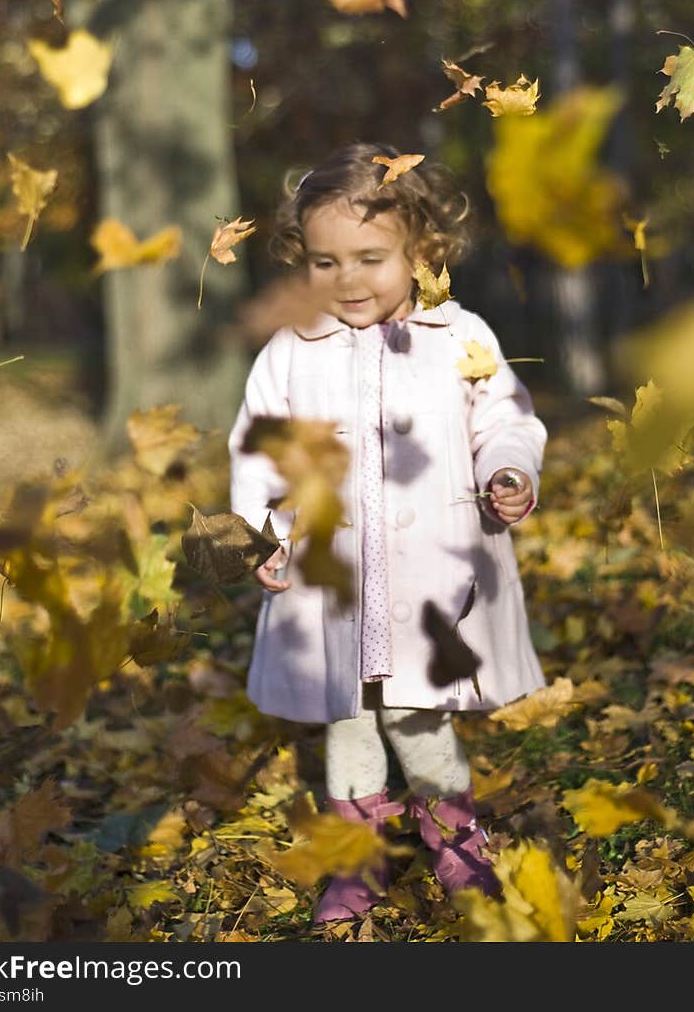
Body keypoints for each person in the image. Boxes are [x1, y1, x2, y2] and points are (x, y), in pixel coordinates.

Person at [228, 141, 547, 922]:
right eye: (325, 262)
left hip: (428, 574)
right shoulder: (289, 353)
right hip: (331, 578)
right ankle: (357, 857)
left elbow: (504, 419)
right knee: (349, 714)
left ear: (422, 252)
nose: (348, 280)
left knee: (415, 714)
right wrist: (267, 533)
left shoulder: (456, 336)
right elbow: (259, 452)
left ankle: (453, 838)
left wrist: (508, 472)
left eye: (371, 258)